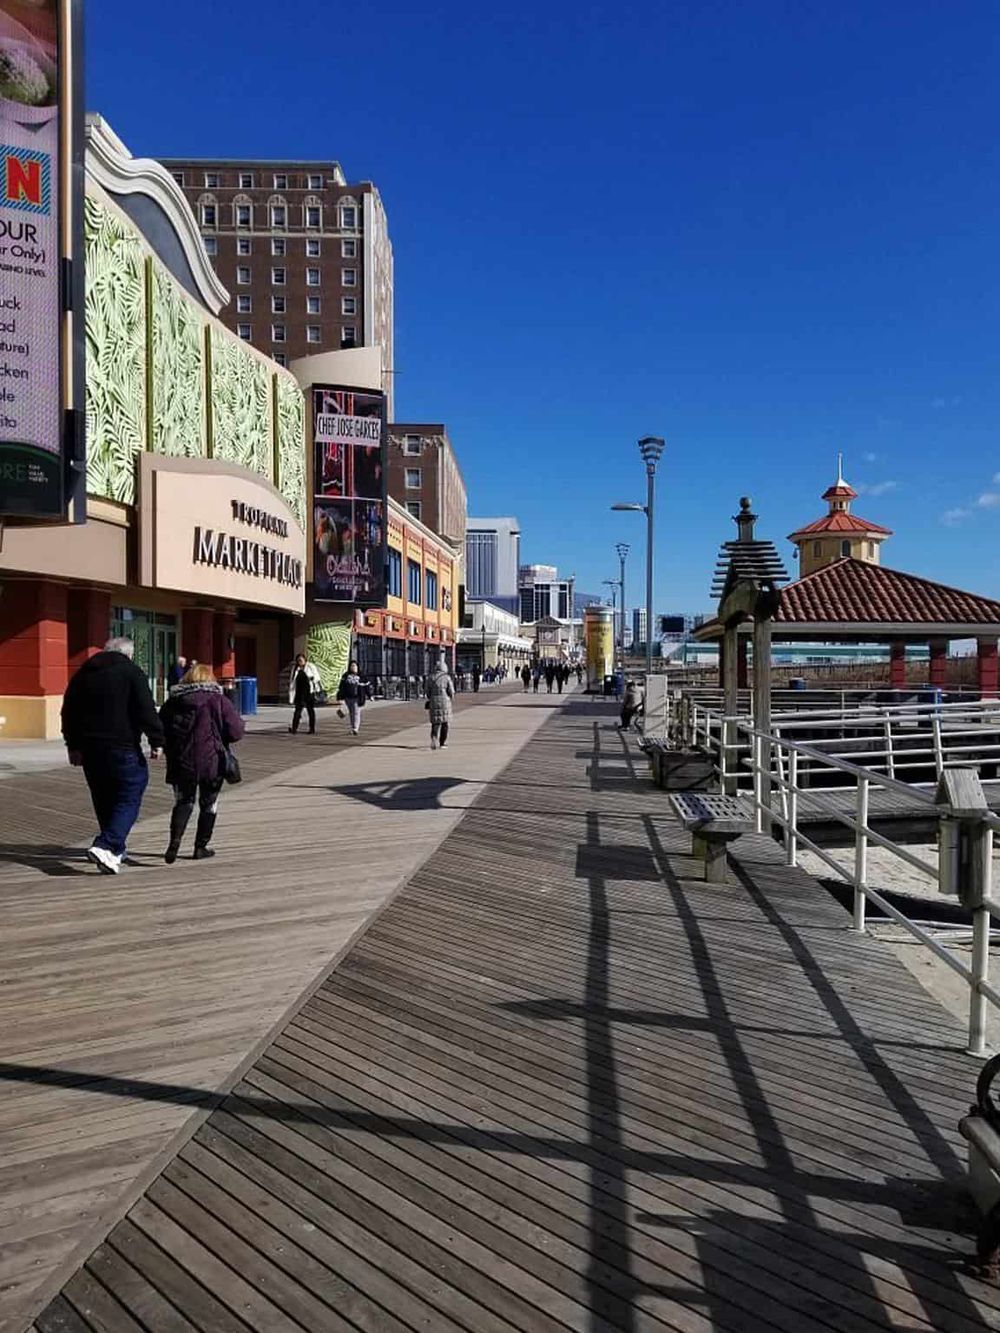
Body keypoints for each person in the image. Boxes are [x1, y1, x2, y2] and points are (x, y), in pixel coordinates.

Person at [61, 637, 164, 875]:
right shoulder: (131, 672)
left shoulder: (83, 674)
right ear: (128, 654)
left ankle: (115, 849)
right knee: (131, 791)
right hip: (122, 746)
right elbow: (145, 709)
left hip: (89, 749)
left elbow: (68, 712)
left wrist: (73, 745)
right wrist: (157, 740)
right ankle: (106, 844)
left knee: (103, 796)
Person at [160, 663, 245, 863]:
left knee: (183, 801)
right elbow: (236, 732)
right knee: (209, 804)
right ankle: (200, 846)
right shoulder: (219, 700)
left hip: (181, 761)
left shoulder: (173, 702)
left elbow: (161, 730)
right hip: (212, 761)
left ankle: (175, 841)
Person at [426, 656, 455, 750]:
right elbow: (451, 691)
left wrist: (431, 697)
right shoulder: (446, 678)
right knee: (445, 723)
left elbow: (427, 691)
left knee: (435, 722)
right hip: (445, 702)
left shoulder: (430, 677)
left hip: (434, 701)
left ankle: (434, 738)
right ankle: (442, 743)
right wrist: (451, 697)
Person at [288, 653, 322, 734]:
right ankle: (294, 728)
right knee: (297, 711)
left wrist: (311, 678)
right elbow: (292, 681)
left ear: (305, 660)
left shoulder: (310, 666)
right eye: (298, 660)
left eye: (301, 660)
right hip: (299, 693)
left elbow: (317, 678)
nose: (300, 662)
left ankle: (312, 728)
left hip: (309, 693)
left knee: (310, 711)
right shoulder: (295, 669)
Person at [336, 660, 369, 736]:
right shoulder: (346, 676)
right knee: (351, 713)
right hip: (348, 697)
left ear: (357, 667)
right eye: (351, 666)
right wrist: (340, 697)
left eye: (354, 666)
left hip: (357, 697)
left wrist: (369, 696)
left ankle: (355, 728)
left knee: (356, 712)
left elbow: (366, 686)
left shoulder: (361, 676)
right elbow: (341, 687)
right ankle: (353, 727)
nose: (353, 667)